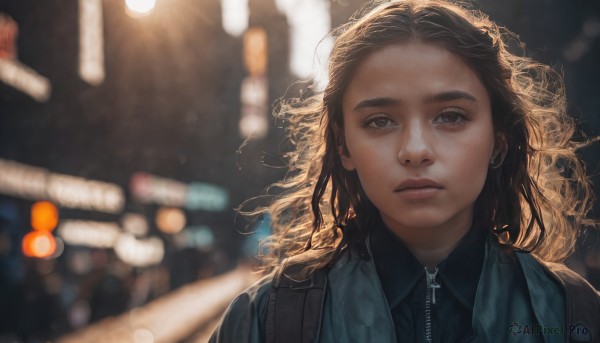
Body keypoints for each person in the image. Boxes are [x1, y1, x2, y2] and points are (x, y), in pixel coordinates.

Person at [210, 0, 600, 342]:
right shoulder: (267, 321)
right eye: (380, 121)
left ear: (499, 141)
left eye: (451, 116)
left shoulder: (571, 314)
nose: (415, 150)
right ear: (343, 145)